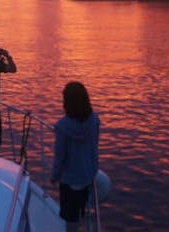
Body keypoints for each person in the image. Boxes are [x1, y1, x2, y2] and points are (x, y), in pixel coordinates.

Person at [51, 81, 100, 232]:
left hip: (70, 179)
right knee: (80, 212)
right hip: (87, 175)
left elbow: (60, 157)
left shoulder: (63, 126)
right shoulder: (94, 120)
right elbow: (94, 147)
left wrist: (54, 176)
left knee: (70, 219)